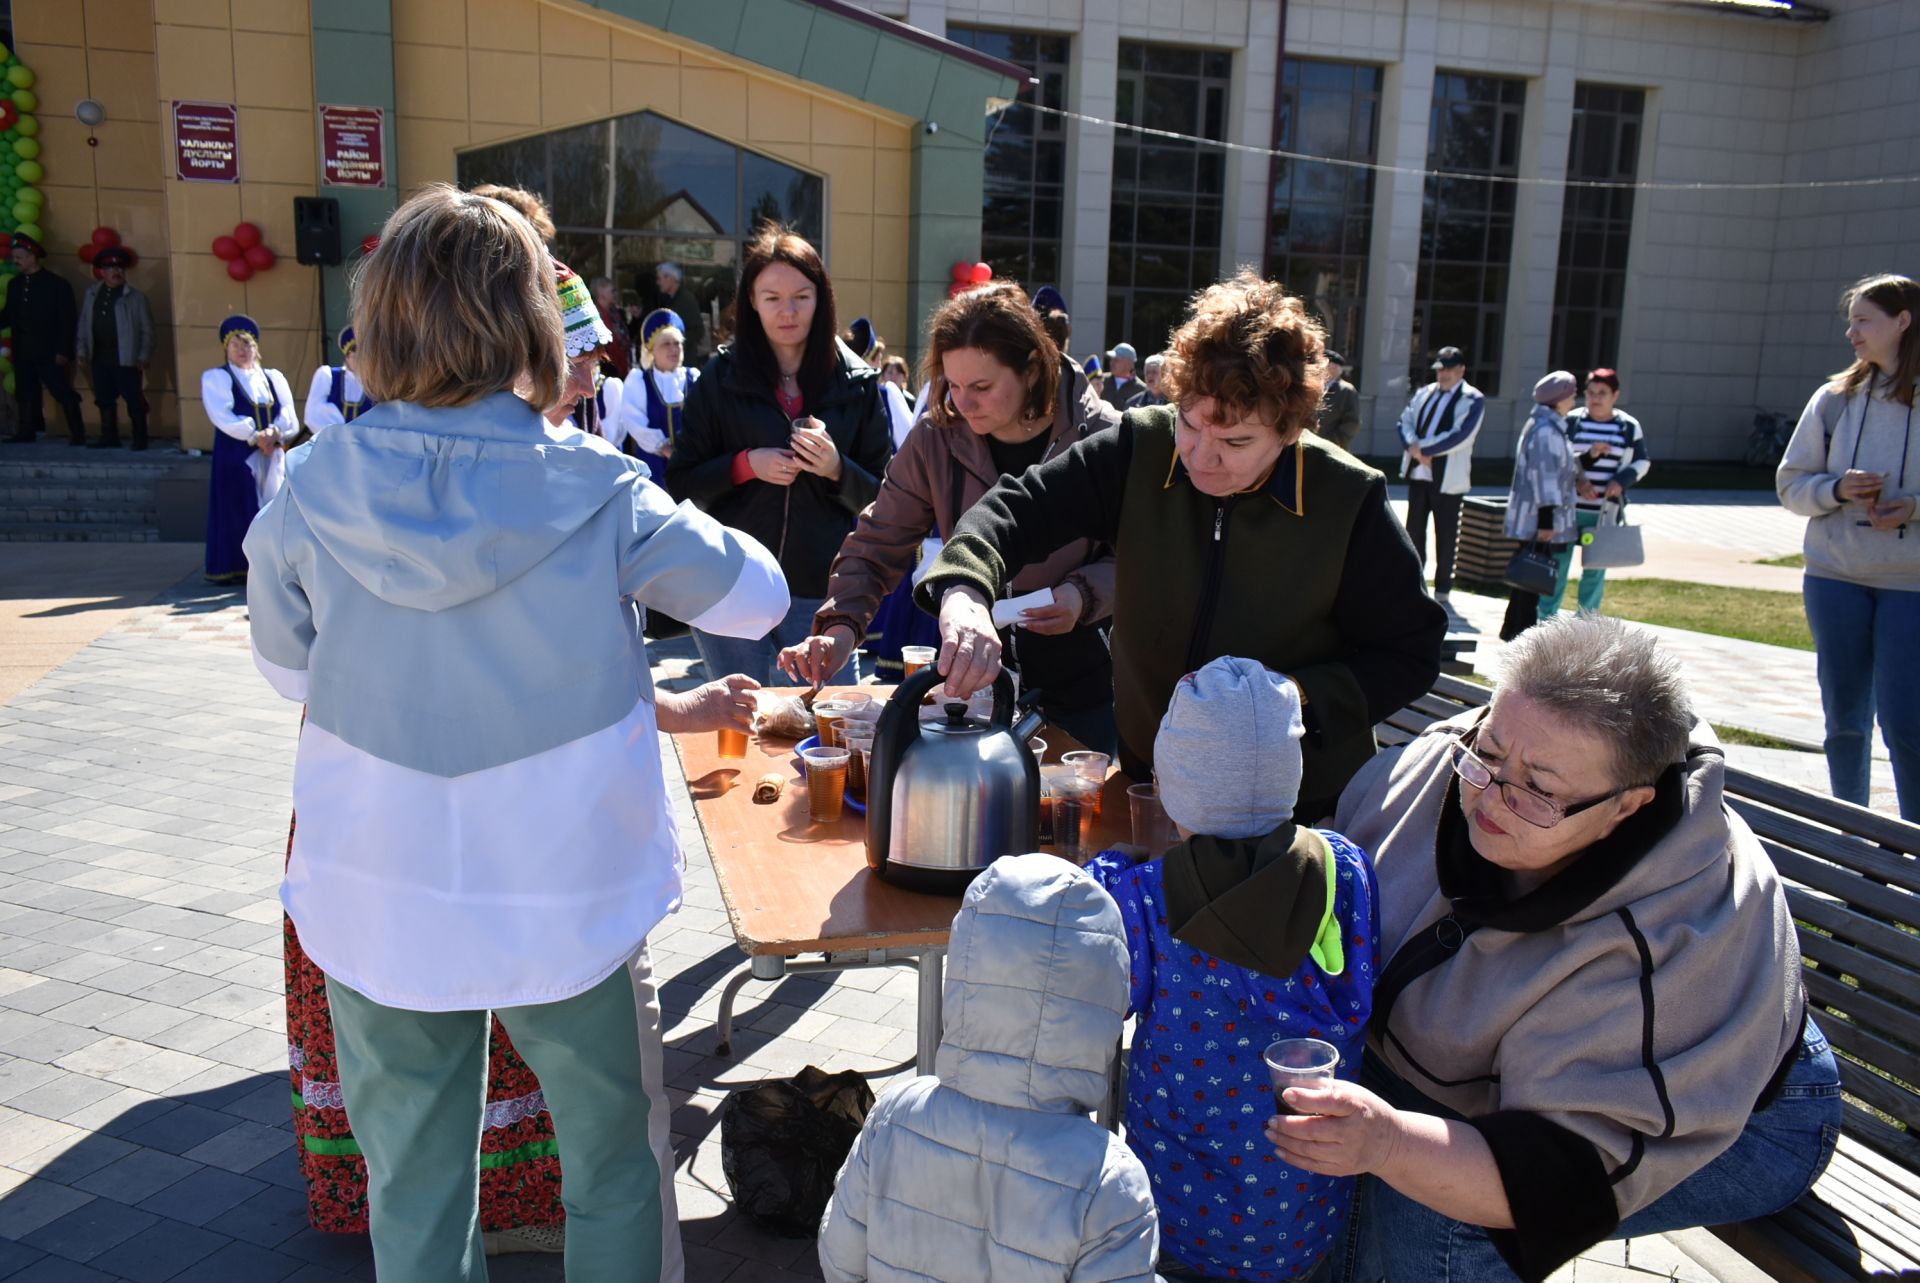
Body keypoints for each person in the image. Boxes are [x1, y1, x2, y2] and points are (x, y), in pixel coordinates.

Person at [243, 184, 790, 1283]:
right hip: (564, 893)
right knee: (613, 1166)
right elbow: (758, 597)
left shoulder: (308, 485)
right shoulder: (596, 488)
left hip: (379, 888)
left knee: (415, 1183)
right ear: (532, 324)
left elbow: (285, 666)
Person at [1287, 615, 1836, 1283]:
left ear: (1628, 807)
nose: (1489, 792)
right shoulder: (1469, 756)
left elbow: (1550, 1179)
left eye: (1539, 791)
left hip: (1741, 1113)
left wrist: (1391, 1139)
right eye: (1488, 753)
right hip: (1479, 1074)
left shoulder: (1663, 946)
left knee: (1438, 1210)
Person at [920, 269, 1446, 819]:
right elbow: (1015, 509)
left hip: (1298, 810)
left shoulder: (1348, 497)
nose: (1200, 456)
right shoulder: (1141, 445)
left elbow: (1409, 652)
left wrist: (1292, 699)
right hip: (1150, 791)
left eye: (1236, 440)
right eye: (1190, 425)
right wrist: (964, 590)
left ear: (1290, 429)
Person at [1086, 656, 1379, 1283]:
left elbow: (1109, 988)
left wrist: (1111, 868)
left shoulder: (1144, 897)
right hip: (1302, 1207)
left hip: (1177, 1207)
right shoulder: (1347, 868)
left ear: (1169, 787)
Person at [780, 281, 1121, 751]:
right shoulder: (935, 439)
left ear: (1032, 370)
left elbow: (1147, 556)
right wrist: (840, 628)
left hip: (1089, 683)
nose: (963, 402)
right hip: (973, 686)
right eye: (952, 384)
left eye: (981, 386)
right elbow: (878, 542)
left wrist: (1083, 594)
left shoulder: (1105, 435)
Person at [817, 853, 1160, 1283]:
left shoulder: (895, 1115)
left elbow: (841, 1261)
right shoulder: (1109, 1179)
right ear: (1105, 997)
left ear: (963, 972)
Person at [665, 224, 894, 688]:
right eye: (771, 298)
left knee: (828, 726)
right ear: (751, 300)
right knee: (738, 725)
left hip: (821, 590)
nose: (787, 311)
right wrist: (745, 465)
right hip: (729, 582)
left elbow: (886, 500)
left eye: (801, 297)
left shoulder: (858, 383)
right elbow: (682, 483)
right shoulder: (719, 377)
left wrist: (836, 469)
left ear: (822, 298)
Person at [1778, 272, 1920, 820]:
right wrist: (1835, 489)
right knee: (1844, 722)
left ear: (1902, 321)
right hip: (1834, 577)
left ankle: (1910, 852)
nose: (1851, 332)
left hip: (1909, 585)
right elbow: (1791, 483)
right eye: (1851, 320)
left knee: (1907, 722)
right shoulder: (1833, 400)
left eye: (1863, 320)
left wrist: (1912, 507)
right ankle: (1849, 837)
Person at [202, 315, 298, 584]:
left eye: (247, 345)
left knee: (273, 509)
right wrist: (255, 436)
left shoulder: (272, 378)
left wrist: (275, 432)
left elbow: (288, 414)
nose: (243, 351)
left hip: (272, 454)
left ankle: (270, 567)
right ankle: (234, 567)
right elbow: (222, 415)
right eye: (236, 346)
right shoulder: (218, 377)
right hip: (236, 455)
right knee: (236, 506)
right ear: (226, 349)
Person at [1551, 367, 1652, 615]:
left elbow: (1642, 461)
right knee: (1557, 566)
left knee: (1595, 569)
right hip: (1568, 510)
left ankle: (1586, 623)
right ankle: (1546, 620)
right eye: (1591, 392)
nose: (1595, 398)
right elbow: (1558, 459)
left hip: (1603, 512)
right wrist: (1577, 480)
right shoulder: (1572, 421)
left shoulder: (1628, 426)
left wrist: (1621, 480)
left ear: (1615, 395)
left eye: (1602, 393)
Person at [1500, 371, 1589, 640]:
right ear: (1559, 398)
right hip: (1537, 519)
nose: (1574, 399)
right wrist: (1547, 522)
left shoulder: (1546, 426)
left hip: (1533, 518)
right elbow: (1545, 478)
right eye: (1571, 394)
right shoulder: (1547, 431)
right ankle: (1520, 636)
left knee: (1526, 582)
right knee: (1530, 581)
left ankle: (1514, 632)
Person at [1397, 346, 1485, 606]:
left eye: (1449, 368)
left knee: (1445, 534)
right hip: (1419, 472)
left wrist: (1426, 449)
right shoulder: (1425, 393)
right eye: (1440, 368)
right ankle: (1414, 582)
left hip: (1447, 479)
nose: (1444, 373)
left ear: (1461, 370)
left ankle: (1443, 587)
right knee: (1414, 530)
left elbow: (1462, 434)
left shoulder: (1473, 398)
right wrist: (1414, 447)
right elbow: (1405, 421)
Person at [2, 233, 85, 445]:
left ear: (32, 257)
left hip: (49, 351)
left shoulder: (56, 285)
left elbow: (67, 321)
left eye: (20, 257)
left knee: (61, 391)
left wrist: (64, 351)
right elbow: (8, 315)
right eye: (15, 257)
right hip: (23, 351)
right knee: (25, 392)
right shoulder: (16, 285)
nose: (16, 261)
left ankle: (78, 433)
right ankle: (26, 431)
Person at [74, 245, 154, 450]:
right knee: (104, 398)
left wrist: (144, 355)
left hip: (126, 357)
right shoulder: (92, 294)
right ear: (102, 272)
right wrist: (81, 350)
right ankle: (109, 436)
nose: (116, 272)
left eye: (119, 268)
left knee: (134, 399)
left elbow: (147, 330)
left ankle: (140, 438)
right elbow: (84, 324)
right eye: (111, 269)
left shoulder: (135, 298)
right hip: (100, 355)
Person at [615, 309, 698, 484]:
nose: (674, 349)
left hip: (694, 464)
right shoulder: (639, 381)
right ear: (652, 351)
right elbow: (634, 422)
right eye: (666, 344)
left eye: (677, 343)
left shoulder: (694, 378)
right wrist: (666, 448)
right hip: (656, 467)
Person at [301, 326, 378, 440]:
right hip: (334, 448)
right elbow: (312, 416)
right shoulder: (328, 376)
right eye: (355, 351)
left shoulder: (376, 384)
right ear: (347, 356)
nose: (361, 357)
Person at [655, 260, 705, 360]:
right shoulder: (670, 300)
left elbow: (698, 331)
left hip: (684, 361)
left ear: (670, 278)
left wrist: (676, 343)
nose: (658, 283)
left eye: (660, 278)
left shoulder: (685, 300)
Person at [1315, 350, 1360, 452]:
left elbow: (1352, 422)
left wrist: (1334, 441)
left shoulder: (1346, 390)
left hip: (1332, 448)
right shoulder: (1314, 386)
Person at [1102, 341, 1141, 410]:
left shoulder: (1141, 390)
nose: (1111, 363)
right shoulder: (1100, 381)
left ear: (1128, 363)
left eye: (1116, 360)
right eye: (1111, 359)